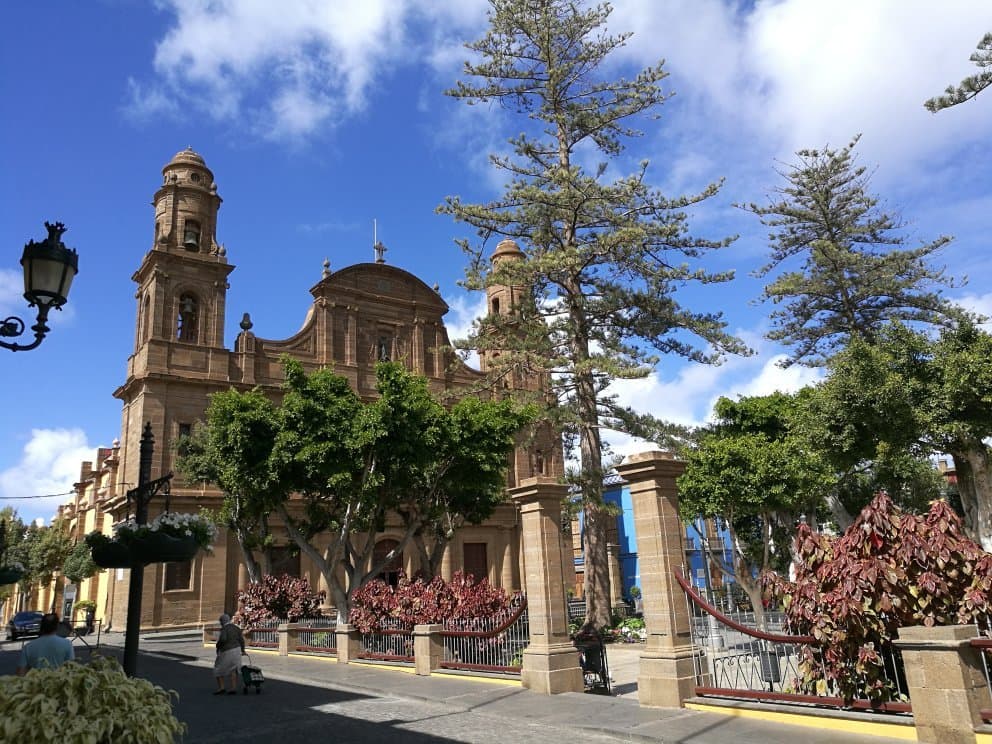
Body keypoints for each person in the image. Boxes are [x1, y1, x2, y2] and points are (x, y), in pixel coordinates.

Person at [213, 613, 245, 695]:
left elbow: (223, 639)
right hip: (237, 649)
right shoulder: (236, 628)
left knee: (218, 668)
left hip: (227, 650)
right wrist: (243, 650)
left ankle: (222, 687)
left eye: (220, 621)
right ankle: (233, 688)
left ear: (222, 622)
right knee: (233, 669)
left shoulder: (224, 629)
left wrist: (218, 645)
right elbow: (241, 640)